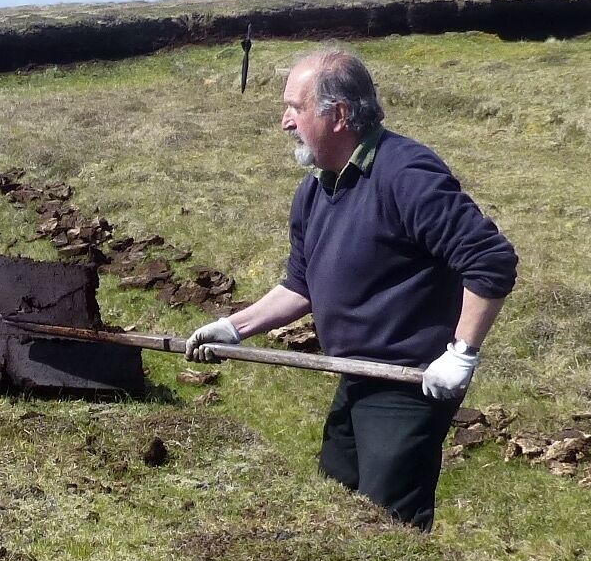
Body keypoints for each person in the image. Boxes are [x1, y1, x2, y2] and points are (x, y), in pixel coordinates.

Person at [188, 48, 516, 531]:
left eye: (295, 108)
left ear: (338, 114)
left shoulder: (405, 174)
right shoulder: (316, 189)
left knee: (388, 525)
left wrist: (462, 353)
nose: (285, 122)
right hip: (354, 374)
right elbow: (301, 285)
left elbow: (490, 259)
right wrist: (233, 328)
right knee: (337, 503)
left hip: (407, 385)